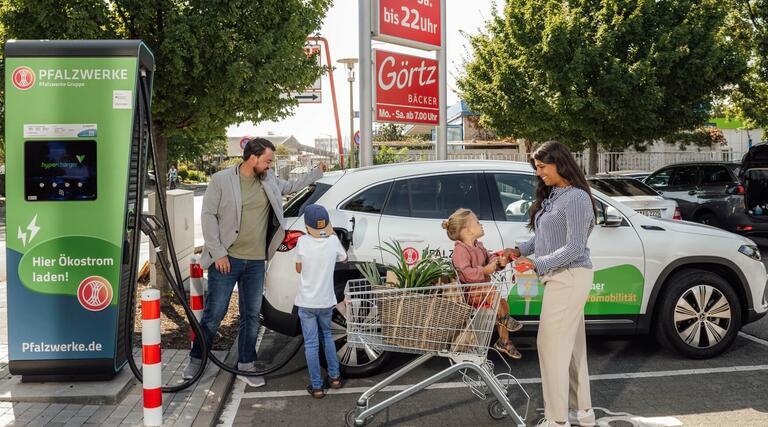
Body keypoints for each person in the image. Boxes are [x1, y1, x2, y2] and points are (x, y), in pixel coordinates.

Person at [182, 137, 326, 387]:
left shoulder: (267, 179)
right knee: (215, 313)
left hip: (257, 261)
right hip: (227, 260)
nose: (270, 165)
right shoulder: (221, 180)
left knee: (251, 315)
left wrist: (316, 173)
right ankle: (197, 358)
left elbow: (290, 185)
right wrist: (218, 254)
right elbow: (208, 218)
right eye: (268, 160)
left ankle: (246, 364)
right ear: (253, 158)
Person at [505, 141, 597, 427]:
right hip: (560, 277)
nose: (540, 173)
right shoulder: (555, 196)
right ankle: (581, 414)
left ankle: (557, 420)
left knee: (550, 346)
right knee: (571, 349)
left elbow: (574, 247)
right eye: (537, 168)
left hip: (569, 276)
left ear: (560, 163)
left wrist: (537, 264)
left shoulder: (577, 198)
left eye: (543, 167)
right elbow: (544, 238)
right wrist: (520, 251)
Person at [443, 208, 523, 360]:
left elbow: (490, 257)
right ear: (467, 230)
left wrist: (497, 262)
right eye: (478, 222)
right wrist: (485, 270)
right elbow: (467, 273)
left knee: (503, 304)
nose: (481, 225)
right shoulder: (461, 250)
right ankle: (505, 322)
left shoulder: (478, 245)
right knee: (493, 294)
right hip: (470, 293)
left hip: (484, 292)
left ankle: (504, 341)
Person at [294, 204, 347, 398]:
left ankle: (317, 386)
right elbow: (344, 257)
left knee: (311, 344)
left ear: (307, 226)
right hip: (325, 302)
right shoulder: (333, 241)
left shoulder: (301, 241)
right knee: (327, 337)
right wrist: (330, 232)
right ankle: (334, 377)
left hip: (306, 302)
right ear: (326, 225)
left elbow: (298, 269)